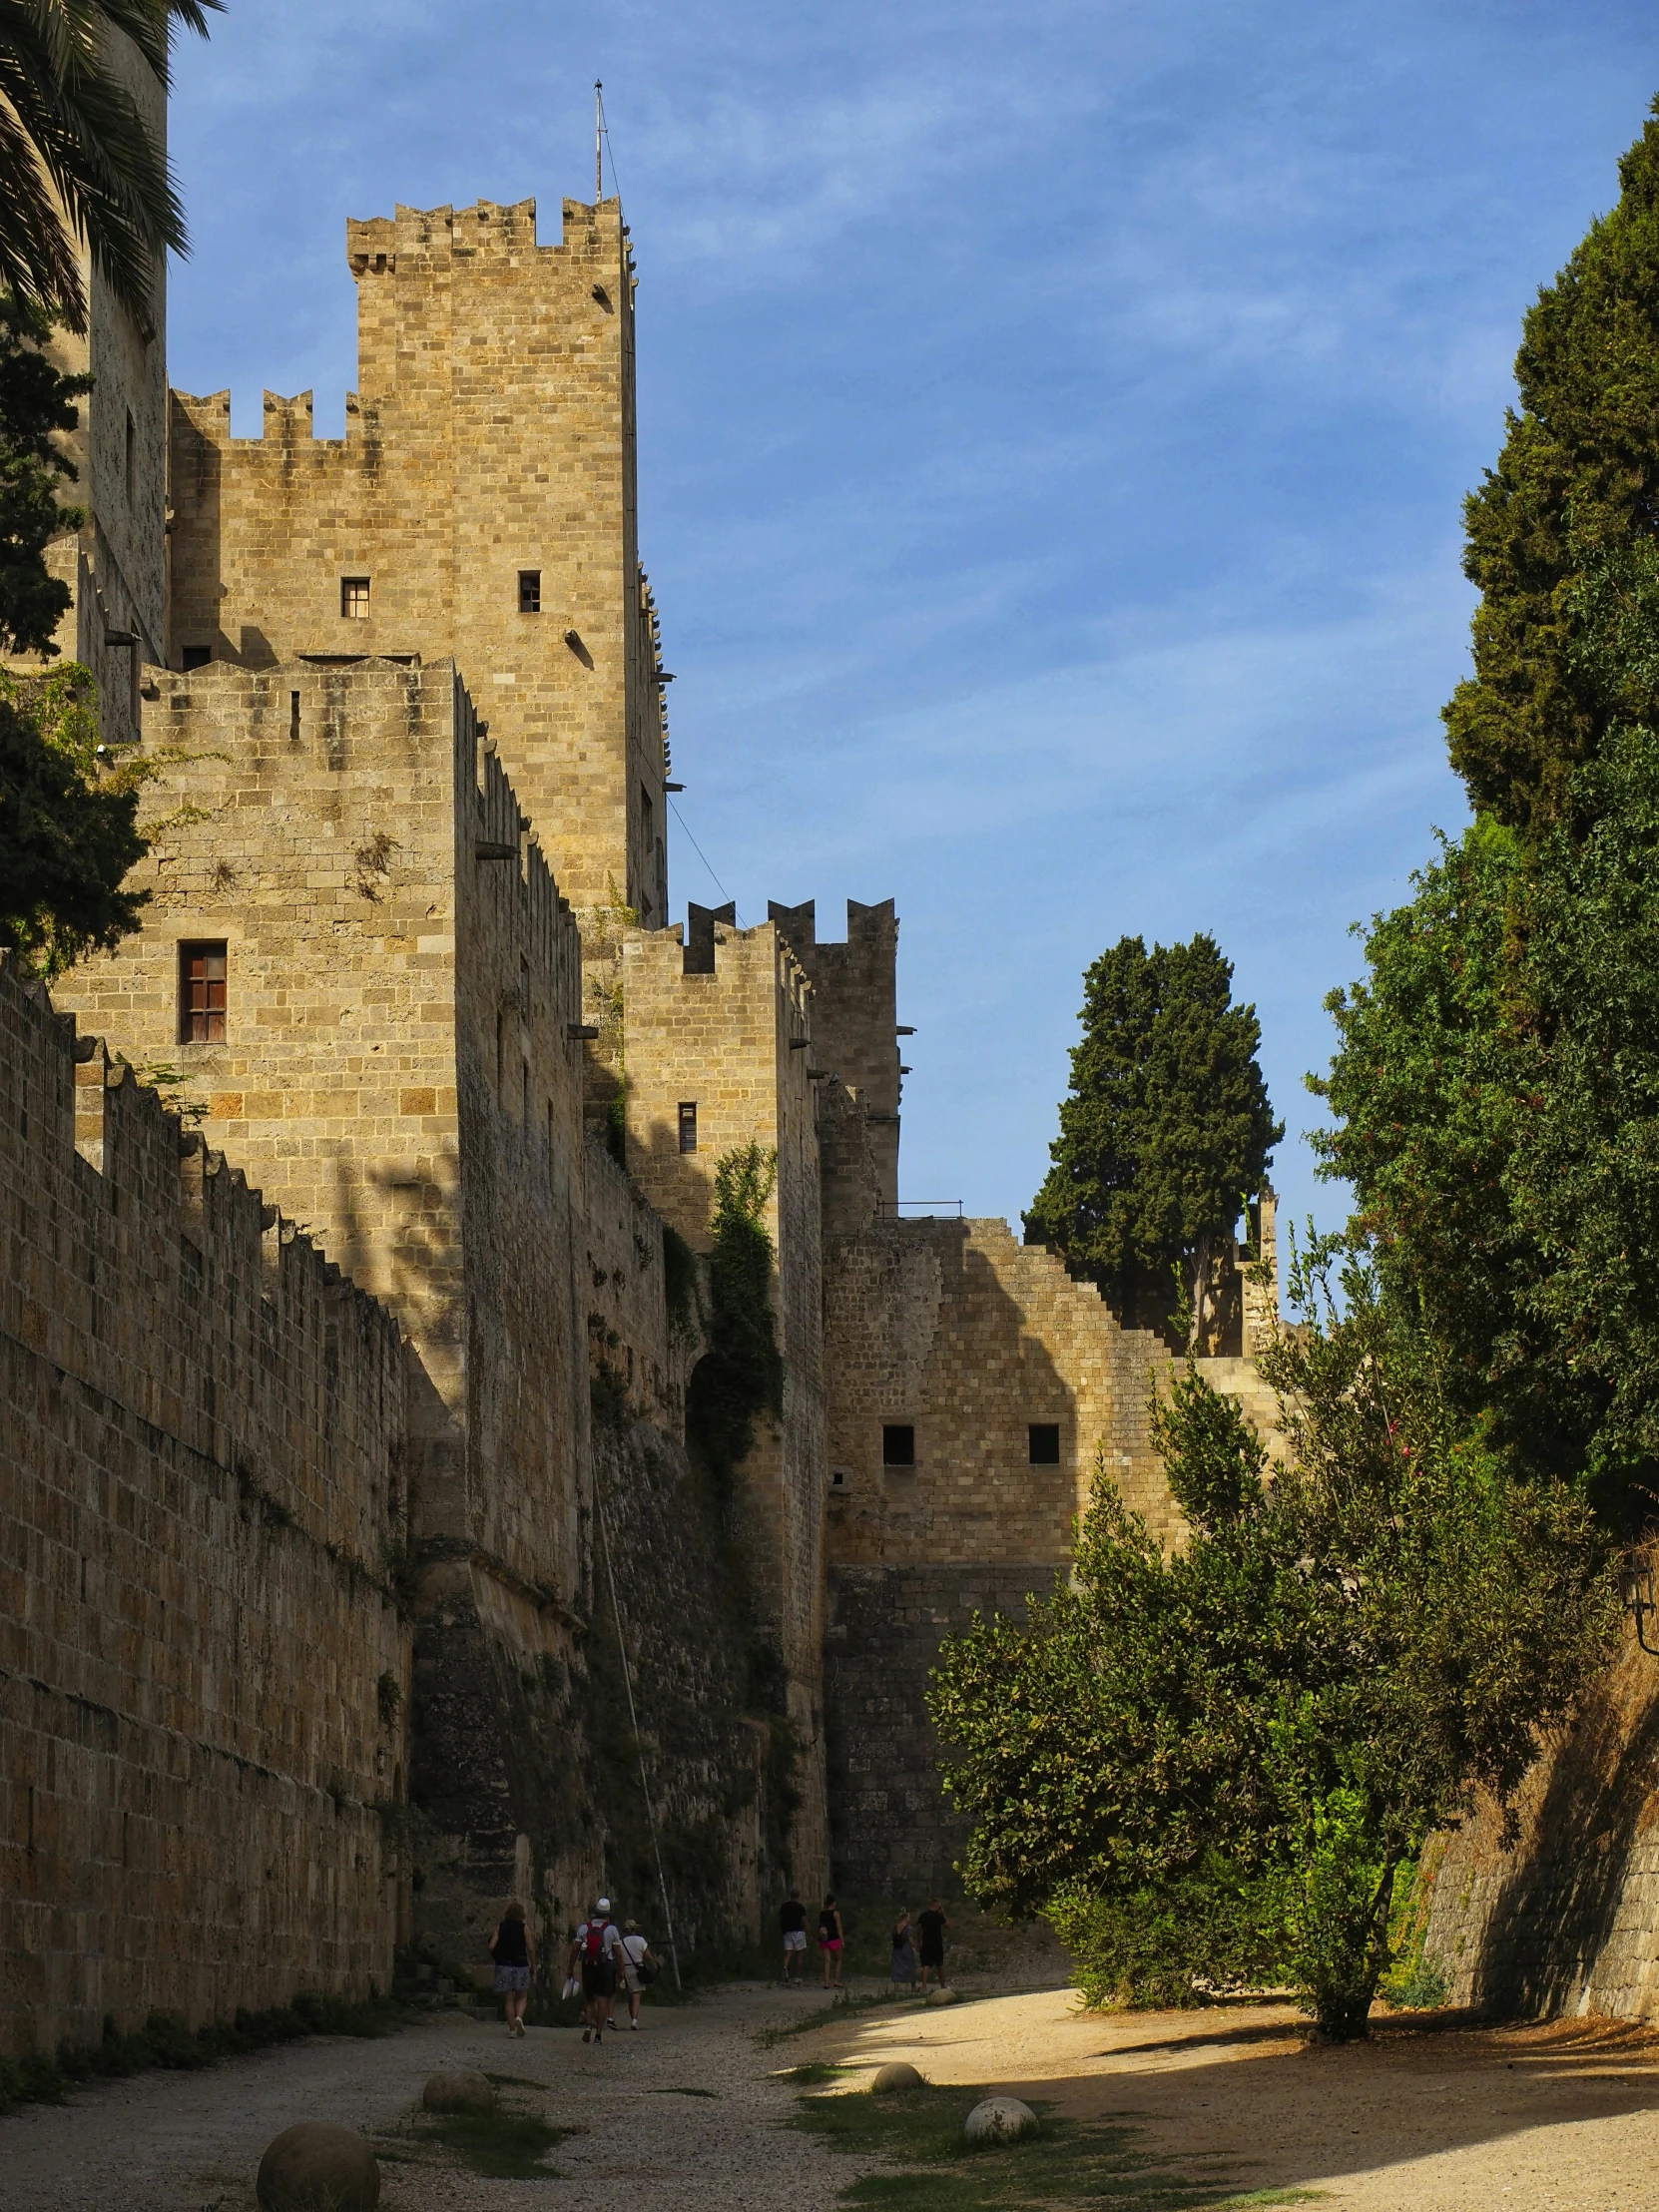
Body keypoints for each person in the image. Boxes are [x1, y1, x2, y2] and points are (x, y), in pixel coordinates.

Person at [568, 1896, 624, 2044]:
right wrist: (621, 1970)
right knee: (603, 2001)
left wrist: (570, 1968)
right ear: (607, 1914)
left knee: (589, 1998)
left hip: (588, 1965)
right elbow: (618, 1953)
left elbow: (575, 1950)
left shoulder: (584, 1928)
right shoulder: (612, 1930)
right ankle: (598, 2035)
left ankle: (588, 2024)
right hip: (605, 1966)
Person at [488, 1900, 535, 2036]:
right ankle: (519, 2017)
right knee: (522, 1996)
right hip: (520, 1965)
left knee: (508, 1999)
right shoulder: (524, 1928)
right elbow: (531, 1949)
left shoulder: (500, 1927)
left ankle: (512, 2030)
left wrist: (496, 1956)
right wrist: (533, 1965)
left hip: (503, 1965)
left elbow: (491, 1946)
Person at [618, 1920, 659, 2027]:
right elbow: (648, 1956)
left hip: (625, 1969)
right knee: (637, 1995)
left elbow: (618, 1958)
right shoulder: (640, 1940)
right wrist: (653, 1967)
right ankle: (634, 2020)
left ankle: (633, 2019)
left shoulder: (621, 1942)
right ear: (634, 1929)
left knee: (630, 1997)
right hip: (637, 1968)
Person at [917, 1898, 949, 1990]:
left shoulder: (923, 1916)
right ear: (937, 1906)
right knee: (939, 1964)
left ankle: (924, 1986)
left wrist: (919, 1941)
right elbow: (948, 1925)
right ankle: (942, 1985)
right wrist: (943, 1913)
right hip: (937, 1942)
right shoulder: (938, 1916)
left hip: (926, 1942)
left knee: (926, 1964)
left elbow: (919, 1929)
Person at [780, 1888, 810, 1983]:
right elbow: (804, 1921)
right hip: (798, 1932)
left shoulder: (784, 1907)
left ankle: (785, 1968)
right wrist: (809, 1933)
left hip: (787, 1932)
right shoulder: (800, 1908)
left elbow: (781, 1919)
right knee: (799, 1955)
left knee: (788, 1954)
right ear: (798, 1896)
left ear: (790, 1895)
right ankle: (797, 1977)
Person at [818, 1893, 844, 1989]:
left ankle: (826, 1982)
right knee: (838, 1959)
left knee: (827, 1960)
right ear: (833, 1903)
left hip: (824, 1939)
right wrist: (842, 1940)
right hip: (834, 1939)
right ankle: (836, 1980)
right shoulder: (836, 1914)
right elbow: (839, 1928)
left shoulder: (822, 1913)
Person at [890, 1908, 917, 1988]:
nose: (909, 1918)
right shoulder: (908, 1927)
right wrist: (915, 1946)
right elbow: (909, 1938)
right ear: (905, 1917)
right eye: (909, 1917)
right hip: (906, 1949)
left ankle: (896, 1985)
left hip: (896, 1949)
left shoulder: (895, 1926)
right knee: (910, 1966)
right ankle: (913, 1986)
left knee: (896, 1966)